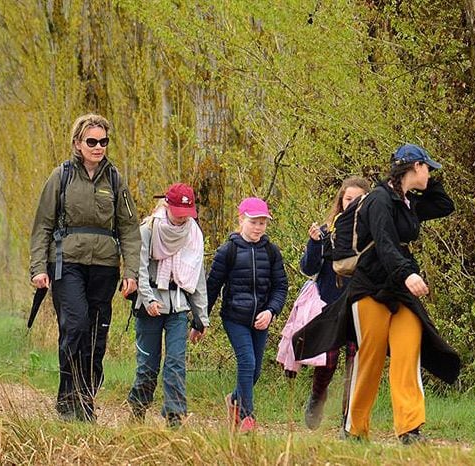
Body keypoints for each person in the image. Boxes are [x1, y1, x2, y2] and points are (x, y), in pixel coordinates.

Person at [292, 143, 460, 444]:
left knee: (407, 354)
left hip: (400, 290)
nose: (430, 172)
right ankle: (354, 430)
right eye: (427, 167)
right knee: (369, 359)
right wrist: (408, 274)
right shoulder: (379, 200)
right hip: (370, 286)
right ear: (415, 166)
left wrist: (420, 182)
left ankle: (409, 430)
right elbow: (384, 244)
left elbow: (445, 205)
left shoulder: (407, 202)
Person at [29, 113, 141, 422]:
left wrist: (131, 273)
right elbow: (42, 226)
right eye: (92, 141)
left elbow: (130, 230)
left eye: (103, 141)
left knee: (96, 335)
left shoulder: (115, 180)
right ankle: (68, 395)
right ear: (78, 143)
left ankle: (85, 400)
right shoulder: (60, 177)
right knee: (75, 326)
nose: (98, 147)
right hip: (67, 264)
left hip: (104, 268)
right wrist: (38, 268)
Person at [127, 183, 209, 428]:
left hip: (178, 306)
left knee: (175, 362)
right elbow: (139, 267)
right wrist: (148, 299)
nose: (184, 217)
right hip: (151, 304)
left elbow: (197, 276)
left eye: (188, 212)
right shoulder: (149, 228)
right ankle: (138, 409)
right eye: (179, 212)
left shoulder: (193, 233)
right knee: (148, 365)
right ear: (168, 206)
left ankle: (174, 417)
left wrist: (200, 317)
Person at [206, 197, 289, 433]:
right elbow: (212, 287)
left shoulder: (271, 251)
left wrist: (271, 311)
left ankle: (234, 399)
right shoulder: (227, 251)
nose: (258, 228)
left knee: (255, 371)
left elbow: (280, 286)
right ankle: (247, 417)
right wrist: (200, 321)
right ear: (241, 219)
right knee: (247, 362)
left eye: (262, 223)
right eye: (253, 222)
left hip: (260, 320)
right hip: (235, 317)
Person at [299, 177, 370, 431]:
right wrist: (314, 243)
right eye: (347, 199)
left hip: (360, 306)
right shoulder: (327, 232)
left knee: (355, 365)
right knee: (327, 363)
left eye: (358, 200)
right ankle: (317, 397)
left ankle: (347, 422)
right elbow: (308, 268)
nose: (351, 204)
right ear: (341, 202)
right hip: (330, 305)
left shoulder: (372, 235)